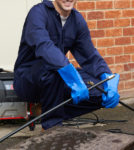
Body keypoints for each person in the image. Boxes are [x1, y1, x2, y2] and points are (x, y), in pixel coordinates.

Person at [13, 0, 120, 130]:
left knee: (101, 89)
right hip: (28, 80)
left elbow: (90, 56)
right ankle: (52, 129)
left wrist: (107, 76)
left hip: (56, 78)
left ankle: (46, 109)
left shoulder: (76, 20)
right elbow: (44, 46)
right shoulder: (38, 13)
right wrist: (70, 74)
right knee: (54, 69)